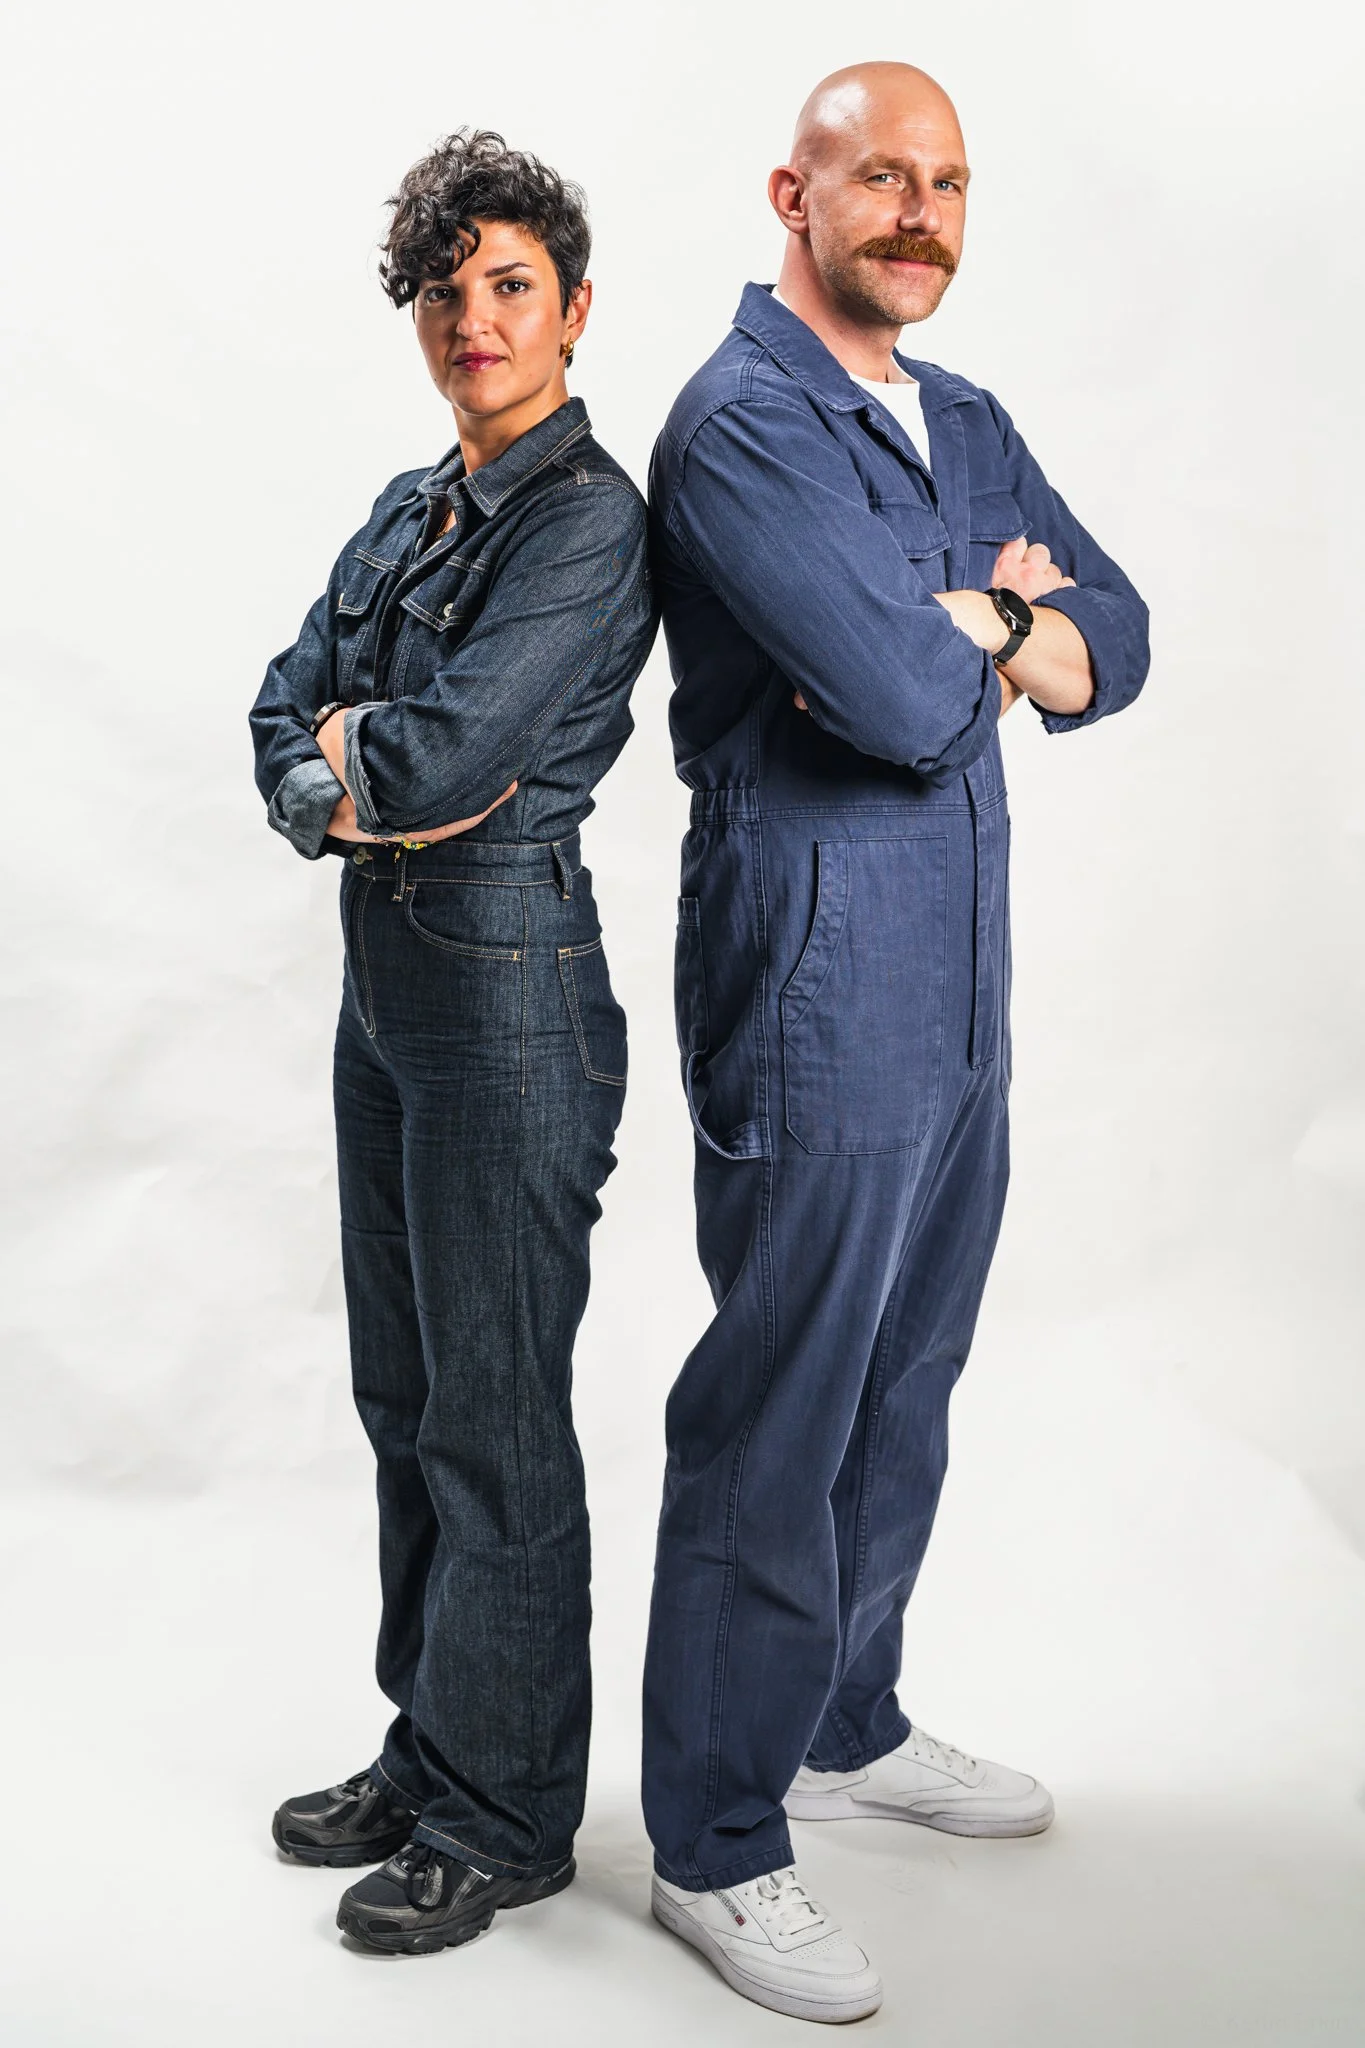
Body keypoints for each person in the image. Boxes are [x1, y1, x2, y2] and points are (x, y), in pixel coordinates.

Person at [643, 62, 1149, 2023]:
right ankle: (716, 1836)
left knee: (907, 1375)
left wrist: (990, 619)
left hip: (956, 980)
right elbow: (890, 698)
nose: (918, 211)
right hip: (813, 971)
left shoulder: (969, 418)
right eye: (880, 177)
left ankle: (847, 1720)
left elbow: (1118, 631)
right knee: (782, 1403)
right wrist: (979, 636)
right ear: (796, 190)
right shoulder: (740, 427)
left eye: (947, 183)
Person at [249, 129, 655, 1958]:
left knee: (495, 1417)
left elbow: (434, 756)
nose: (473, 321)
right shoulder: (421, 503)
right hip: (387, 984)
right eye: (444, 292)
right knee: (405, 1401)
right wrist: (333, 764)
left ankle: (506, 1815)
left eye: (508, 288)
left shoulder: (589, 524)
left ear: (573, 309)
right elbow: (285, 700)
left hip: (505, 1001)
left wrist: (358, 758)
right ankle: (434, 1749)